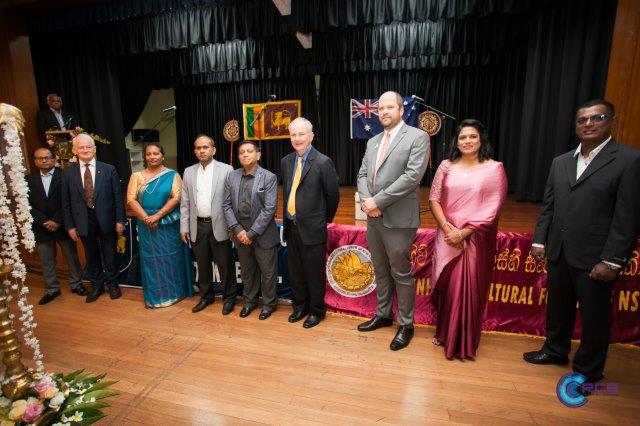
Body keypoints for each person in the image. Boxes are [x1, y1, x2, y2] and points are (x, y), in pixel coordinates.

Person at [523, 100, 640, 383]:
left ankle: (589, 371)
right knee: (558, 308)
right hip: (559, 251)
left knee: (595, 318)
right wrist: (540, 240)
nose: (588, 124)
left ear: (612, 121)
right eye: (582, 120)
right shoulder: (561, 161)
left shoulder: (628, 160)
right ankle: (555, 350)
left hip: (596, 256)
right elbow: (549, 205)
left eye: (596, 118)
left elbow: (627, 216)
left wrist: (612, 260)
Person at [356, 91, 429, 351]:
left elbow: (411, 177)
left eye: (389, 107)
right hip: (373, 216)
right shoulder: (373, 140)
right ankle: (384, 314)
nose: (384, 112)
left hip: (398, 218)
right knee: (380, 269)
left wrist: (378, 201)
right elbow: (363, 173)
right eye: (380, 108)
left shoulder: (418, 137)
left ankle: (406, 323)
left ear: (401, 110)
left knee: (400, 272)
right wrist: (367, 201)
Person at [428, 119, 507, 359]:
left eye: (472, 136)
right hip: (446, 235)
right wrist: (447, 228)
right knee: (448, 285)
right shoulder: (445, 166)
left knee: (470, 287)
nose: (467, 141)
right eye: (463, 137)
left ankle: (465, 339)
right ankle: (445, 332)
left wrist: (463, 232)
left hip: (476, 239)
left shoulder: (494, 168)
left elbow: (493, 207)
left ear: (481, 140)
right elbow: (433, 198)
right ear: (457, 141)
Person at [281, 117, 339, 328]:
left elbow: (333, 197)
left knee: (314, 274)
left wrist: (321, 221)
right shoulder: (286, 162)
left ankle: (316, 311)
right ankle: (300, 307)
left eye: (301, 134)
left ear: (311, 136)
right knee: (296, 273)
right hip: (291, 227)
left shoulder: (323, 162)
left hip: (313, 229)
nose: (297, 138)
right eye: (293, 134)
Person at [126, 142, 193, 308]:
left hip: (167, 222)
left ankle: (175, 293)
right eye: (148, 154)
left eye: (156, 153)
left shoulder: (173, 175)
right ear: (145, 156)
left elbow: (176, 198)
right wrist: (146, 218)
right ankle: (155, 296)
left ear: (162, 156)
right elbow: (130, 199)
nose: (152, 157)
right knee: (151, 260)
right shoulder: (137, 176)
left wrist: (157, 216)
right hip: (146, 224)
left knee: (171, 257)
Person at [61, 133, 126, 302]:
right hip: (82, 221)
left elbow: (118, 197)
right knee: (91, 255)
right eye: (81, 147)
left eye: (88, 147)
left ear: (94, 149)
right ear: (75, 151)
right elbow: (65, 203)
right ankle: (96, 285)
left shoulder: (108, 169)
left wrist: (120, 220)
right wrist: (70, 226)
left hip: (107, 219)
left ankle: (113, 284)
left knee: (110, 254)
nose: (85, 150)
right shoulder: (67, 174)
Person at [180, 134, 237, 314]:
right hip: (198, 226)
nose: (202, 150)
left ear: (213, 150)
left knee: (225, 265)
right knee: (202, 265)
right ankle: (206, 297)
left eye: (205, 147)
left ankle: (229, 298)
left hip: (220, 225)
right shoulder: (188, 171)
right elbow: (185, 202)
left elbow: (232, 201)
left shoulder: (227, 169)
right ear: (195, 151)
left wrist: (232, 227)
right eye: (198, 148)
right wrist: (184, 226)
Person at [222, 140, 279, 320]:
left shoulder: (268, 177)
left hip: (262, 232)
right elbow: (226, 205)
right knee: (247, 271)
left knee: (268, 272)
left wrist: (251, 233)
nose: (245, 155)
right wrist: (239, 230)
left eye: (249, 151)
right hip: (239, 232)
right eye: (241, 152)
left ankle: (269, 305)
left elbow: (270, 209)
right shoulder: (232, 176)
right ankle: (249, 302)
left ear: (258, 155)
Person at [27, 147, 87, 305]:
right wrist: (43, 221)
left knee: (71, 257)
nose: (44, 160)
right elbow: (27, 205)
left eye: (47, 157)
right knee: (46, 260)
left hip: (63, 224)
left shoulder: (65, 177)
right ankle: (52, 289)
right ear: (35, 161)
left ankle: (76, 284)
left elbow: (71, 200)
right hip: (41, 226)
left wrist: (57, 220)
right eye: (40, 158)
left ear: (54, 159)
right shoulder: (28, 180)